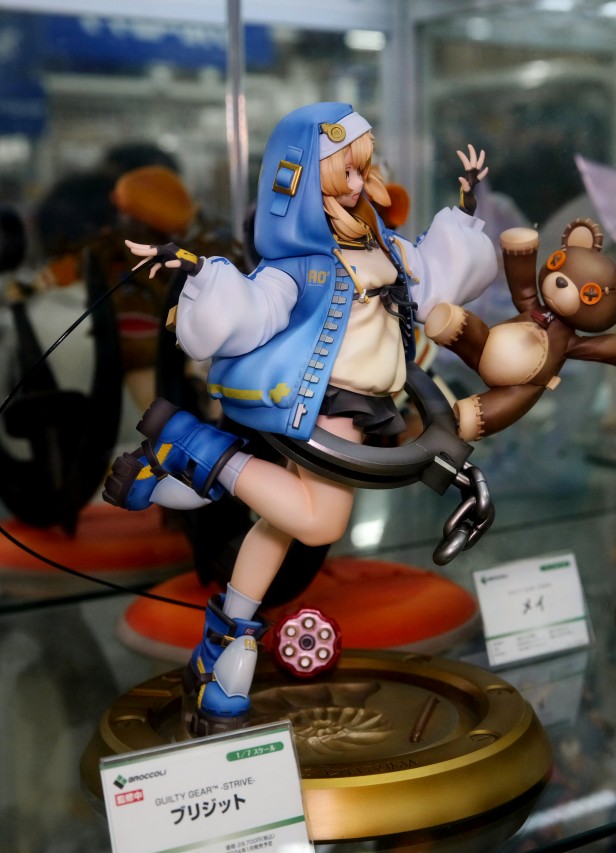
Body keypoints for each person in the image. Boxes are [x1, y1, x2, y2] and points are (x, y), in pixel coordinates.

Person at [103, 102, 497, 735]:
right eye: (344, 171)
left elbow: (434, 277)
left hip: (368, 403)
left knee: (281, 524)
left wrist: (467, 208)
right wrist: (203, 275)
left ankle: (226, 641)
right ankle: (191, 449)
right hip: (321, 401)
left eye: (361, 169)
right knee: (320, 522)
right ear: (300, 177)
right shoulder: (301, 263)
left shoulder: (381, 245)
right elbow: (253, 308)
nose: (357, 183)